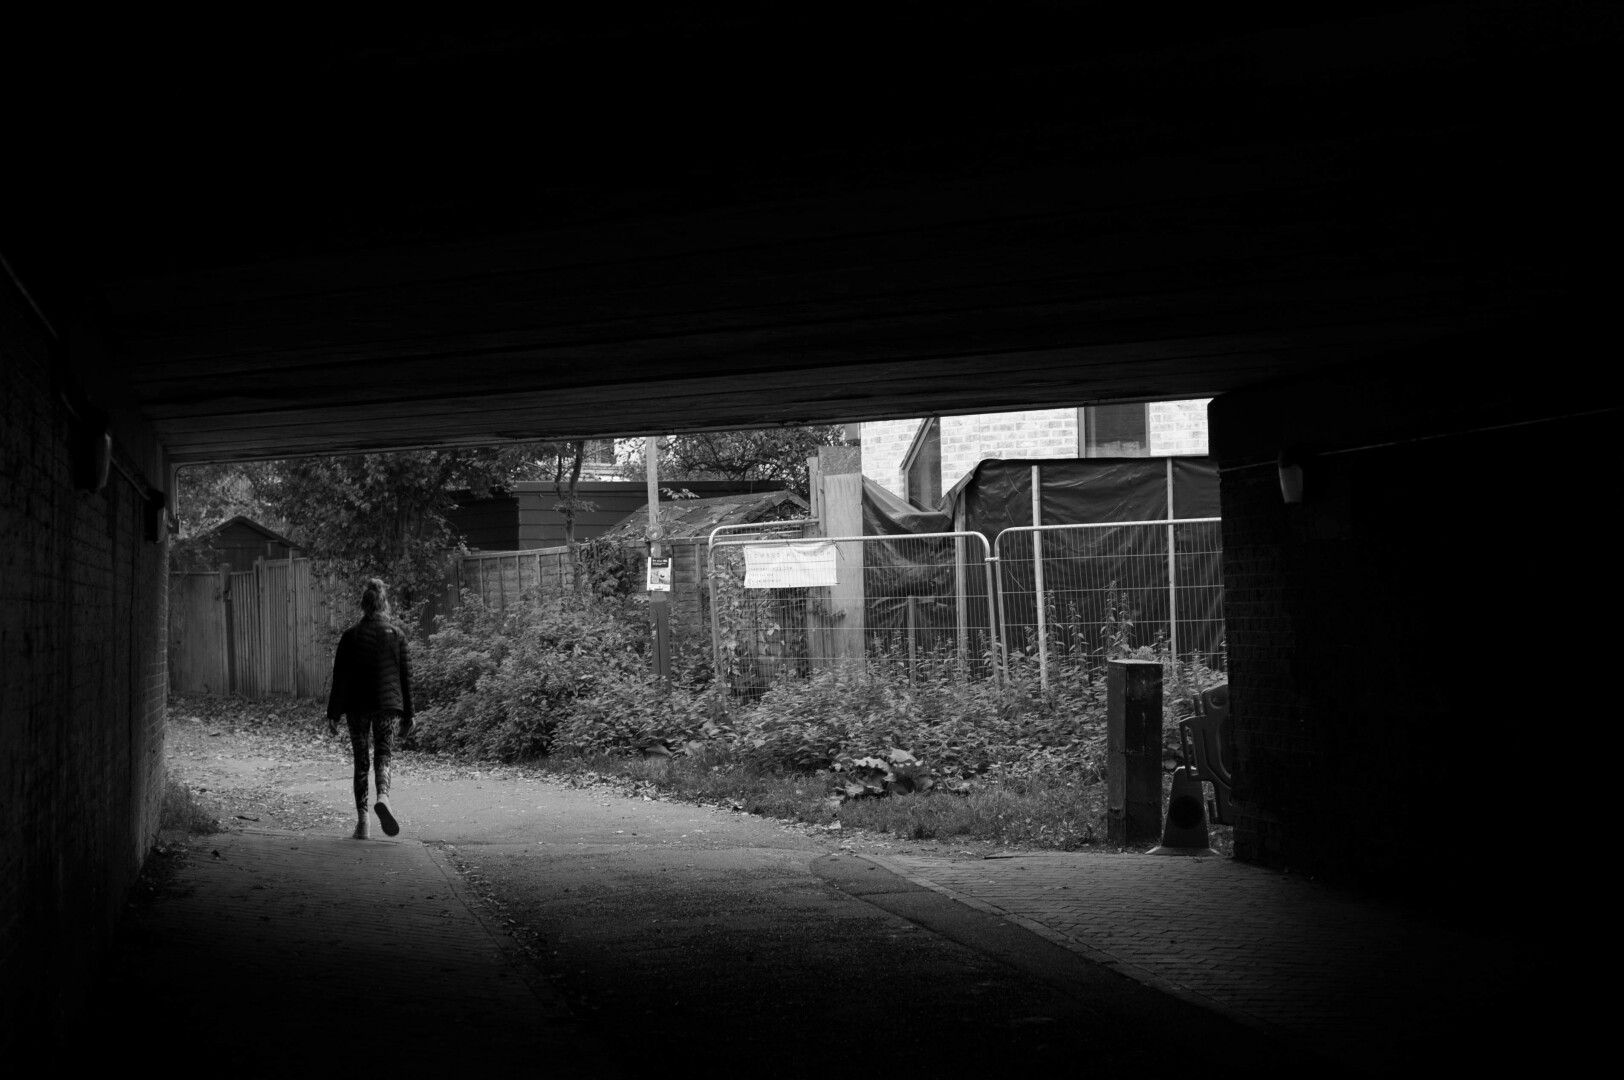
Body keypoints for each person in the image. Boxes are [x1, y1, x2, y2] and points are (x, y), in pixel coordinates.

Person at [325, 577, 414, 839]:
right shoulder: (397, 636)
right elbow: (406, 678)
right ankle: (383, 797)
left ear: (363, 606)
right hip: (389, 706)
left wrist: (333, 714)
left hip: (357, 707)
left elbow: (340, 677)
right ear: (384, 605)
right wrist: (409, 714)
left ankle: (363, 822)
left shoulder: (350, 636)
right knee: (383, 754)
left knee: (361, 761)